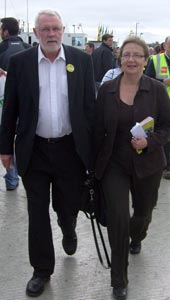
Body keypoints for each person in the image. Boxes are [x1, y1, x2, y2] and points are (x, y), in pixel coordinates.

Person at [0, 9, 95, 297]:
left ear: (63, 30)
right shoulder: (21, 63)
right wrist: (5, 149)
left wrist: (95, 149)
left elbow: (89, 107)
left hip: (70, 150)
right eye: (45, 29)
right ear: (36, 32)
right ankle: (41, 270)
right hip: (35, 149)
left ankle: (68, 228)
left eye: (55, 29)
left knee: (66, 206)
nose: (51, 34)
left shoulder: (81, 60)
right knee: (37, 212)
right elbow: (10, 109)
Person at [94, 36, 170, 300]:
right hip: (114, 164)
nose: (131, 60)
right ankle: (119, 280)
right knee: (117, 221)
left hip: (147, 164)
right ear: (120, 58)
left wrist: (149, 141)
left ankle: (137, 234)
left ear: (145, 60)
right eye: (126, 54)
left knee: (141, 216)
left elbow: (166, 127)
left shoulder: (157, 90)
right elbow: (96, 128)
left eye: (137, 55)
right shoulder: (106, 90)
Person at [0, 17, 31, 190]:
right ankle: (27, 174)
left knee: (7, 136)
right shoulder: (29, 49)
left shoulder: (1, 48)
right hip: (28, 106)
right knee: (24, 137)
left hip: (5, 104)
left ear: (5, 31)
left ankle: (12, 179)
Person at [146, 35, 170, 179]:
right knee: (165, 135)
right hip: (162, 105)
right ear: (165, 46)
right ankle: (166, 165)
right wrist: (164, 81)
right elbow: (147, 80)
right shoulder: (155, 60)